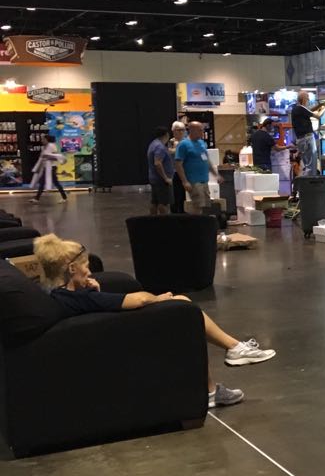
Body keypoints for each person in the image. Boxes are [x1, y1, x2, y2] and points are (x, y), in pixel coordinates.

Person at [33, 234, 276, 408]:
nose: (89, 271)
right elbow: (137, 300)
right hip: (118, 337)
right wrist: (158, 299)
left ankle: (224, 365)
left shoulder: (60, 295)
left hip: (102, 336)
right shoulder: (81, 298)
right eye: (85, 266)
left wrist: (92, 290)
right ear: (72, 269)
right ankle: (229, 357)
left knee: (182, 307)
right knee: (184, 309)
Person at [175, 119, 212, 212]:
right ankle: (195, 221)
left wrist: (216, 174)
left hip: (204, 180)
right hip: (193, 181)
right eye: (200, 130)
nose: (202, 132)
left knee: (206, 205)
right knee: (198, 205)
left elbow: (206, 160)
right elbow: (178, 164)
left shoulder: (201, 143)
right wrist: (184, 181)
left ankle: (202, 220)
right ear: (192, 130)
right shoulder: (183, 144)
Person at [290, 92, 325, 177]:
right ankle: (310, 182)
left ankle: (306, 182)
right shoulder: (301, 108)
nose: (308, 100)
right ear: (303, 99)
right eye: (307, 98)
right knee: (312, 165)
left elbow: (309, 111)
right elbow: (318, 116)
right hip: (307, 139)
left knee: (307, 165)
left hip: (301, 140)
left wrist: (319, 105)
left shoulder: (296, 109)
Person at [30, 134, 67, 203]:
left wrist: (47, 157)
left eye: (43, 139)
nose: (42, 140)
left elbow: (56, 158)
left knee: (55, 183)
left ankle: (64, 197)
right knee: (42, 182)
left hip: (51, 167)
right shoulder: (44, 147)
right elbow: (42, 158)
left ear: (47, 140)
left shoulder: (52, 146)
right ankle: (36, 199)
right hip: (45, 167)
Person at [147, 125, 174, 216]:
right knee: (163, 203)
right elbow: (157, 163)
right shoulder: (160, 147)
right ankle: (164, 221)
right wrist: (166, 178)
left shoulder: (153, 144)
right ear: (166, 134)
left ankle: (153, 220)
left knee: (155, 201)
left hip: (154, 178)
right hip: (161, 180)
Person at [169, 119, 188, 214]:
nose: (181, 132)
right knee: (175, 194)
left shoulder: (186, 142)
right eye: (178, 130)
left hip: (185, 171)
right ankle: (175, 212)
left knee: (183, 194)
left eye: (182, 130)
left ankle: (182, 211)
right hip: (174, 172)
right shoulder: (170, 142)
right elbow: (169, 152)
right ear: (173, 131)